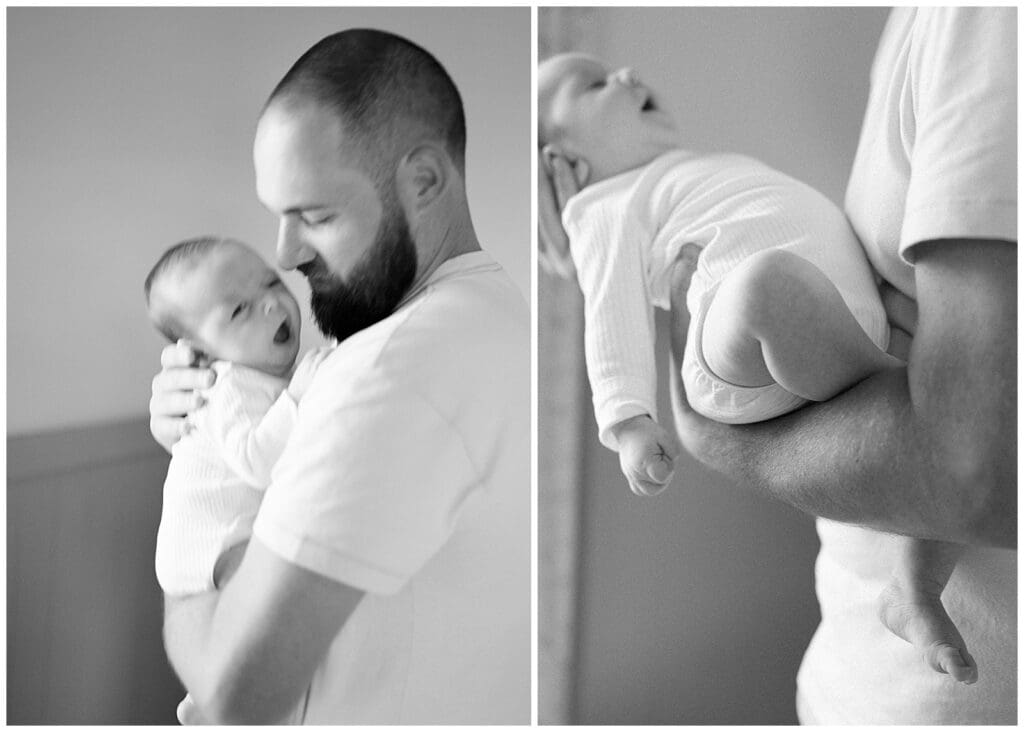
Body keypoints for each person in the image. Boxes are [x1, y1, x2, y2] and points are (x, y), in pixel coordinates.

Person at [539, 7, 1015, 724]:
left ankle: (914, 588)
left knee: (904, 387)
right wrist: (629, 421)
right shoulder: (603, 208)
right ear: (568, 166)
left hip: (822, 361)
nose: (628, 74)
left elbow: (968, 468)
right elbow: (609, 312)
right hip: (736, 357)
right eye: (595, 84)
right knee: (767, 287)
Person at [148, 29, 529, 724]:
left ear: (424, 180)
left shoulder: (389, 368)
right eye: (279, 217)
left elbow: (234, 694)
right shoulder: (494, 314)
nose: (286, 253)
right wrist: (202, 427)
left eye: (314, 215)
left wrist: (188, 551)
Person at [144, 236, 326, 595]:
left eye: (272, 283)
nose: (272, 303)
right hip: (214, 544)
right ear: (199, 352)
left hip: (238, 537)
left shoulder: (263, 380)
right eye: (239, 310)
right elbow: (257, 461)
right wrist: (301, 393)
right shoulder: (227, 386)